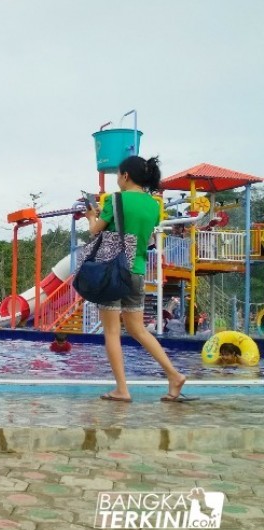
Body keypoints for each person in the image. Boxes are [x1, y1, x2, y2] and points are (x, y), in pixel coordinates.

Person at [86, 156, 188, 403]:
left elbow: (94, 231)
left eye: (118, 175)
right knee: (138, 329)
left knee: (112, 331)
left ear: (126, 176)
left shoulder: (115, 199)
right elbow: (139, 231)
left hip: (113, 271)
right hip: (137, 271)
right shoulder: (154, 205)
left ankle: (122, 389)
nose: (117, 179)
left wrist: (91, 215)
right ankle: (174, 375)